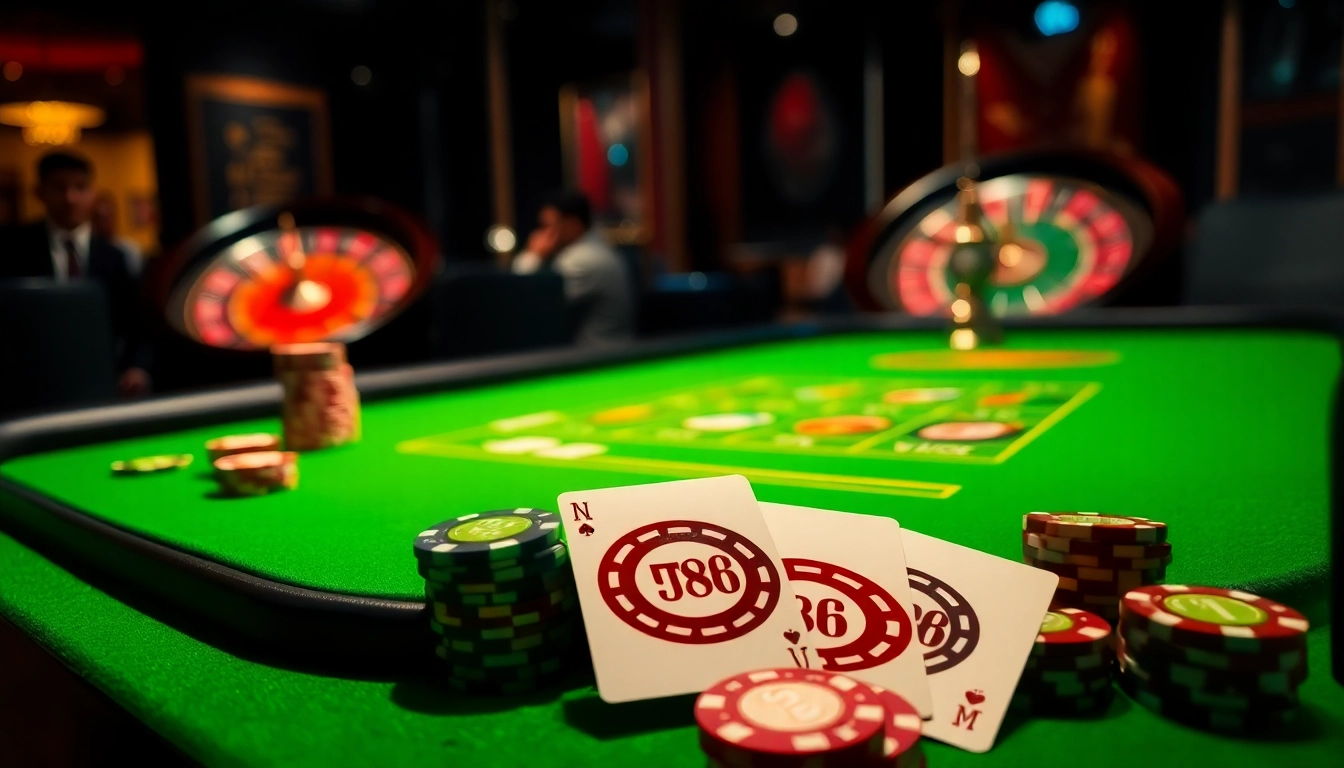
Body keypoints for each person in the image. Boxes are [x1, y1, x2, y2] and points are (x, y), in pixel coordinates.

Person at [0, 152, 151, 397]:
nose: (70, 198)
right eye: (59, 188)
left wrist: (137, 367)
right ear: (39, 192)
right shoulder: (12, 249)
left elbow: (135, 325)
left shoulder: (114, 256)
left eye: (80, 188)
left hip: (101, 382)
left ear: (92, 193)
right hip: (31, 385)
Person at [511, 190, 635, 346]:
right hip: (613, 350)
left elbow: (523, 299)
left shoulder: (581, 260)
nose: (542, 234)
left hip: (598, 359)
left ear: (573, 224)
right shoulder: (599, 247)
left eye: (548, 226)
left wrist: (532, 255)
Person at [92, 190, 144, 277]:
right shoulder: (87, 252)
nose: (103, 224)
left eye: (107, 218)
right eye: (99, 218)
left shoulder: (130, 250)